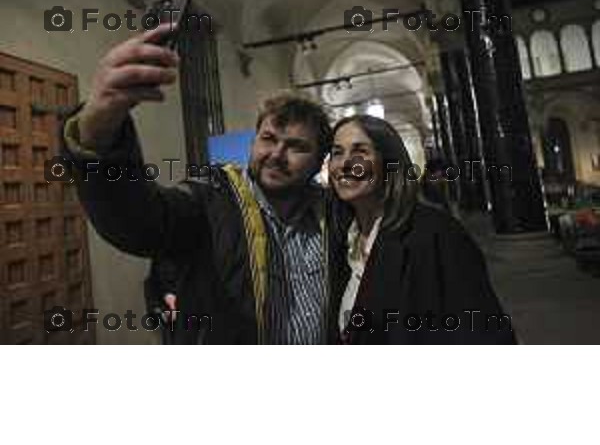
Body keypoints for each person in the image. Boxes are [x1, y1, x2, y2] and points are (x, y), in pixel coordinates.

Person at [60, 23, 334, 344]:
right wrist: (99, 128)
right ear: (254, 140)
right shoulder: (212, 197)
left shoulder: (335, 214)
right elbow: (142, 224)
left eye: (297, 147)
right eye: (268, 139)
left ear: (319, 162)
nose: (276, 154)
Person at [326, 114, 516, 344]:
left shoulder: (437, 233)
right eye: (337, 153)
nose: (345, 164)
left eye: (360, 152)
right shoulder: (340, 241)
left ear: (389, 162)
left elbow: (484, 332)